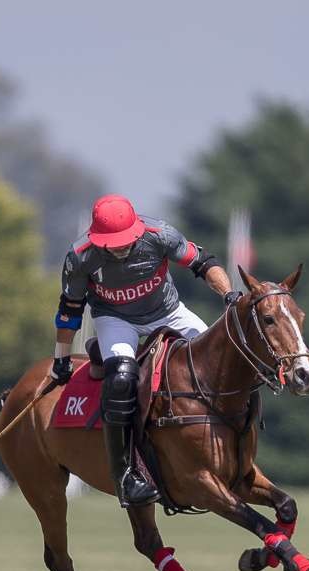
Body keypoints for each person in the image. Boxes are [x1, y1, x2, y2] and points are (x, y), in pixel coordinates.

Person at [51, 194, 238, 507]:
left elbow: (204, 262)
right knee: (122, 378)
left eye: (125, 241)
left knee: (219, 362)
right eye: (112, 244)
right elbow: (70, 309)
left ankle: (235, 447)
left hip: (167, 311)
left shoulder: (160, 235)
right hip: (115, 319)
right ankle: (126, 474)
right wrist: (60, 357)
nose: (121, 248)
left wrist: (230, 293)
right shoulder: (80, 256)